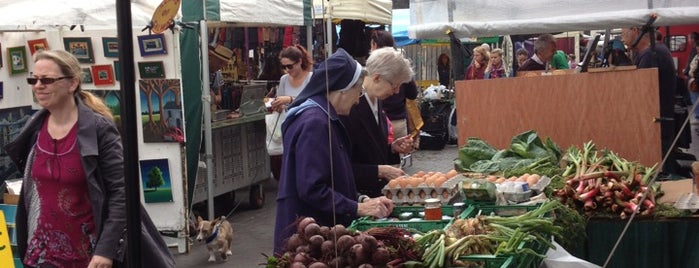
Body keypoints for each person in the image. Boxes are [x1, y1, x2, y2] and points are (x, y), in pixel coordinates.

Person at [3, 50, 174, 267]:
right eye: (33, 79)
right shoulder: (35, 129)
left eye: (47, 80)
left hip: (88, 256)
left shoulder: (99, 130)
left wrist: (106, 250)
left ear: (72, 83)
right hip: (42, 255)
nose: (38, 86)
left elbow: (122, 193)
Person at [273, 48, 394, 254]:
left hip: (319, 233)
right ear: (343, 90)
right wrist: (356, 208)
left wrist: (361, 199)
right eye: (358, 92)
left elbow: (334, 175)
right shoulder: (315, 122)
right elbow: (312, 188)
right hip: (308, 237)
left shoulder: (324, 117)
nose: (358, 100)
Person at [342, 47, 416, 198]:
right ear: (376, 78)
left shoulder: (377, 100)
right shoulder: (349, 105)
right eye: (394, 86)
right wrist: (379, 171)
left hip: (375, 194)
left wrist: (392, 149)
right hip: (358, 195)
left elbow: (372, 149)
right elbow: (342, 165)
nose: (396, 92)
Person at [621, 26, 678, 174]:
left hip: (657, 124)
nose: (622, 38)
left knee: (660, 170)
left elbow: (641, 93)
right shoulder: (656, 51)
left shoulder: (650, 55)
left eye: (623, 33)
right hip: (662, 120)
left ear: (634, 30)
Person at [267, 45, 313, 181]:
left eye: (290, 66)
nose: (287, 70)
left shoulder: (311, 78)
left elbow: (314, 102)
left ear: (299, 61)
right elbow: (281, 101)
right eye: (284, 67)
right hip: (289, 127)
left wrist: (290, 99)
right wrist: (276, 105)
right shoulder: (284, 80)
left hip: (307, 128)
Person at [369, 30, 419, 144]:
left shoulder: (370, 70)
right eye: (394, 87)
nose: (395, 91)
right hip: (397, 120)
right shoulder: (401, 65)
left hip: (376, 122)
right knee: (393, 158)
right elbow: (413, 94)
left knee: (385, 155)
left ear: (374, 45)